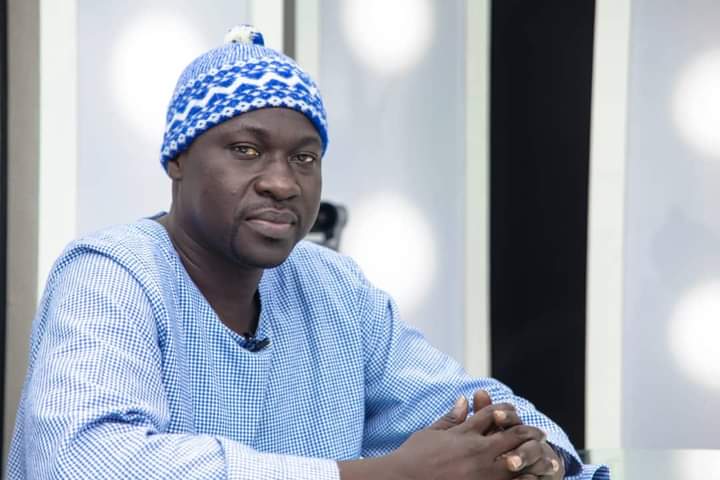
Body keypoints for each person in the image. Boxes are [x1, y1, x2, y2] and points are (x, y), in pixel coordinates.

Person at [8, 25, 609, 479]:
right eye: (246, 150)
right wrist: (377, 476)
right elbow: (86, 460)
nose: (282, 182)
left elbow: (461, 400)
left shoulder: (332, 287)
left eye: (304, 158)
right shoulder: (111, 273)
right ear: (178, 158)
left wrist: (534, 453)